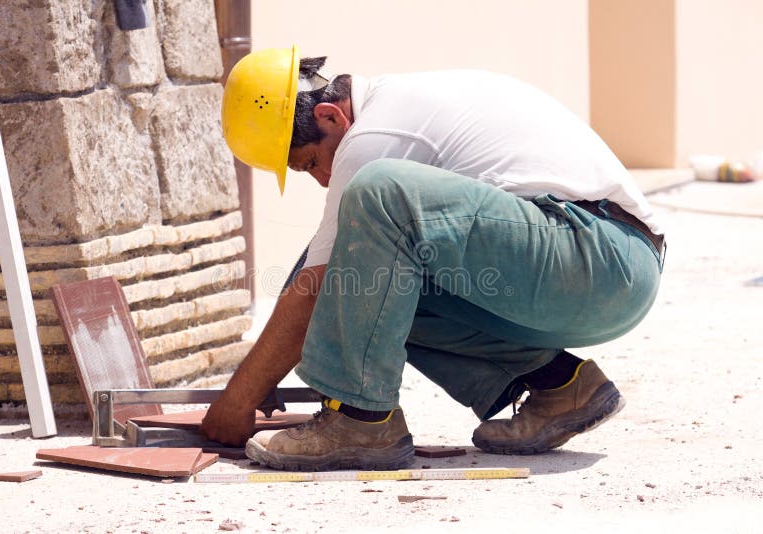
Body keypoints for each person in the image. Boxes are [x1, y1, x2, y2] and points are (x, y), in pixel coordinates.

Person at [199, 46, 665, 471]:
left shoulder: (373, 136)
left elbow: (315, 285)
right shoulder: (392, 110)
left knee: (377, 196)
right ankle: (564, 386)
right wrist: (259, 376)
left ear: (329, 117)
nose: (322, 179)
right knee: (372, 287)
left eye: (310, 163)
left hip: (599, 253)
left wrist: (238, 399)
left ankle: (361, 420)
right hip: (601, 270)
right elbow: (334, 281)